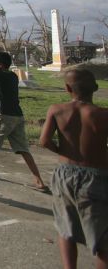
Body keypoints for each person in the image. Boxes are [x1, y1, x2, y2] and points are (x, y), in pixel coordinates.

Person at [39, 68, 108, 268]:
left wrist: (64, 151)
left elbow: (44, 141)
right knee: (102, 237)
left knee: (65, 228)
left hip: (64, 174)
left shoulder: (56, 110)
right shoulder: (102, 115)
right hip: (96, 176)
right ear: (95, 88)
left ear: (67, 88)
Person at [0, 50, 48, 191]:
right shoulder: (13, 76)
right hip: (17, 116)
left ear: (1, 65)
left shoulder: (2, 75)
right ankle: (39, 181)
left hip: (4, 115)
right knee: (23, 149)